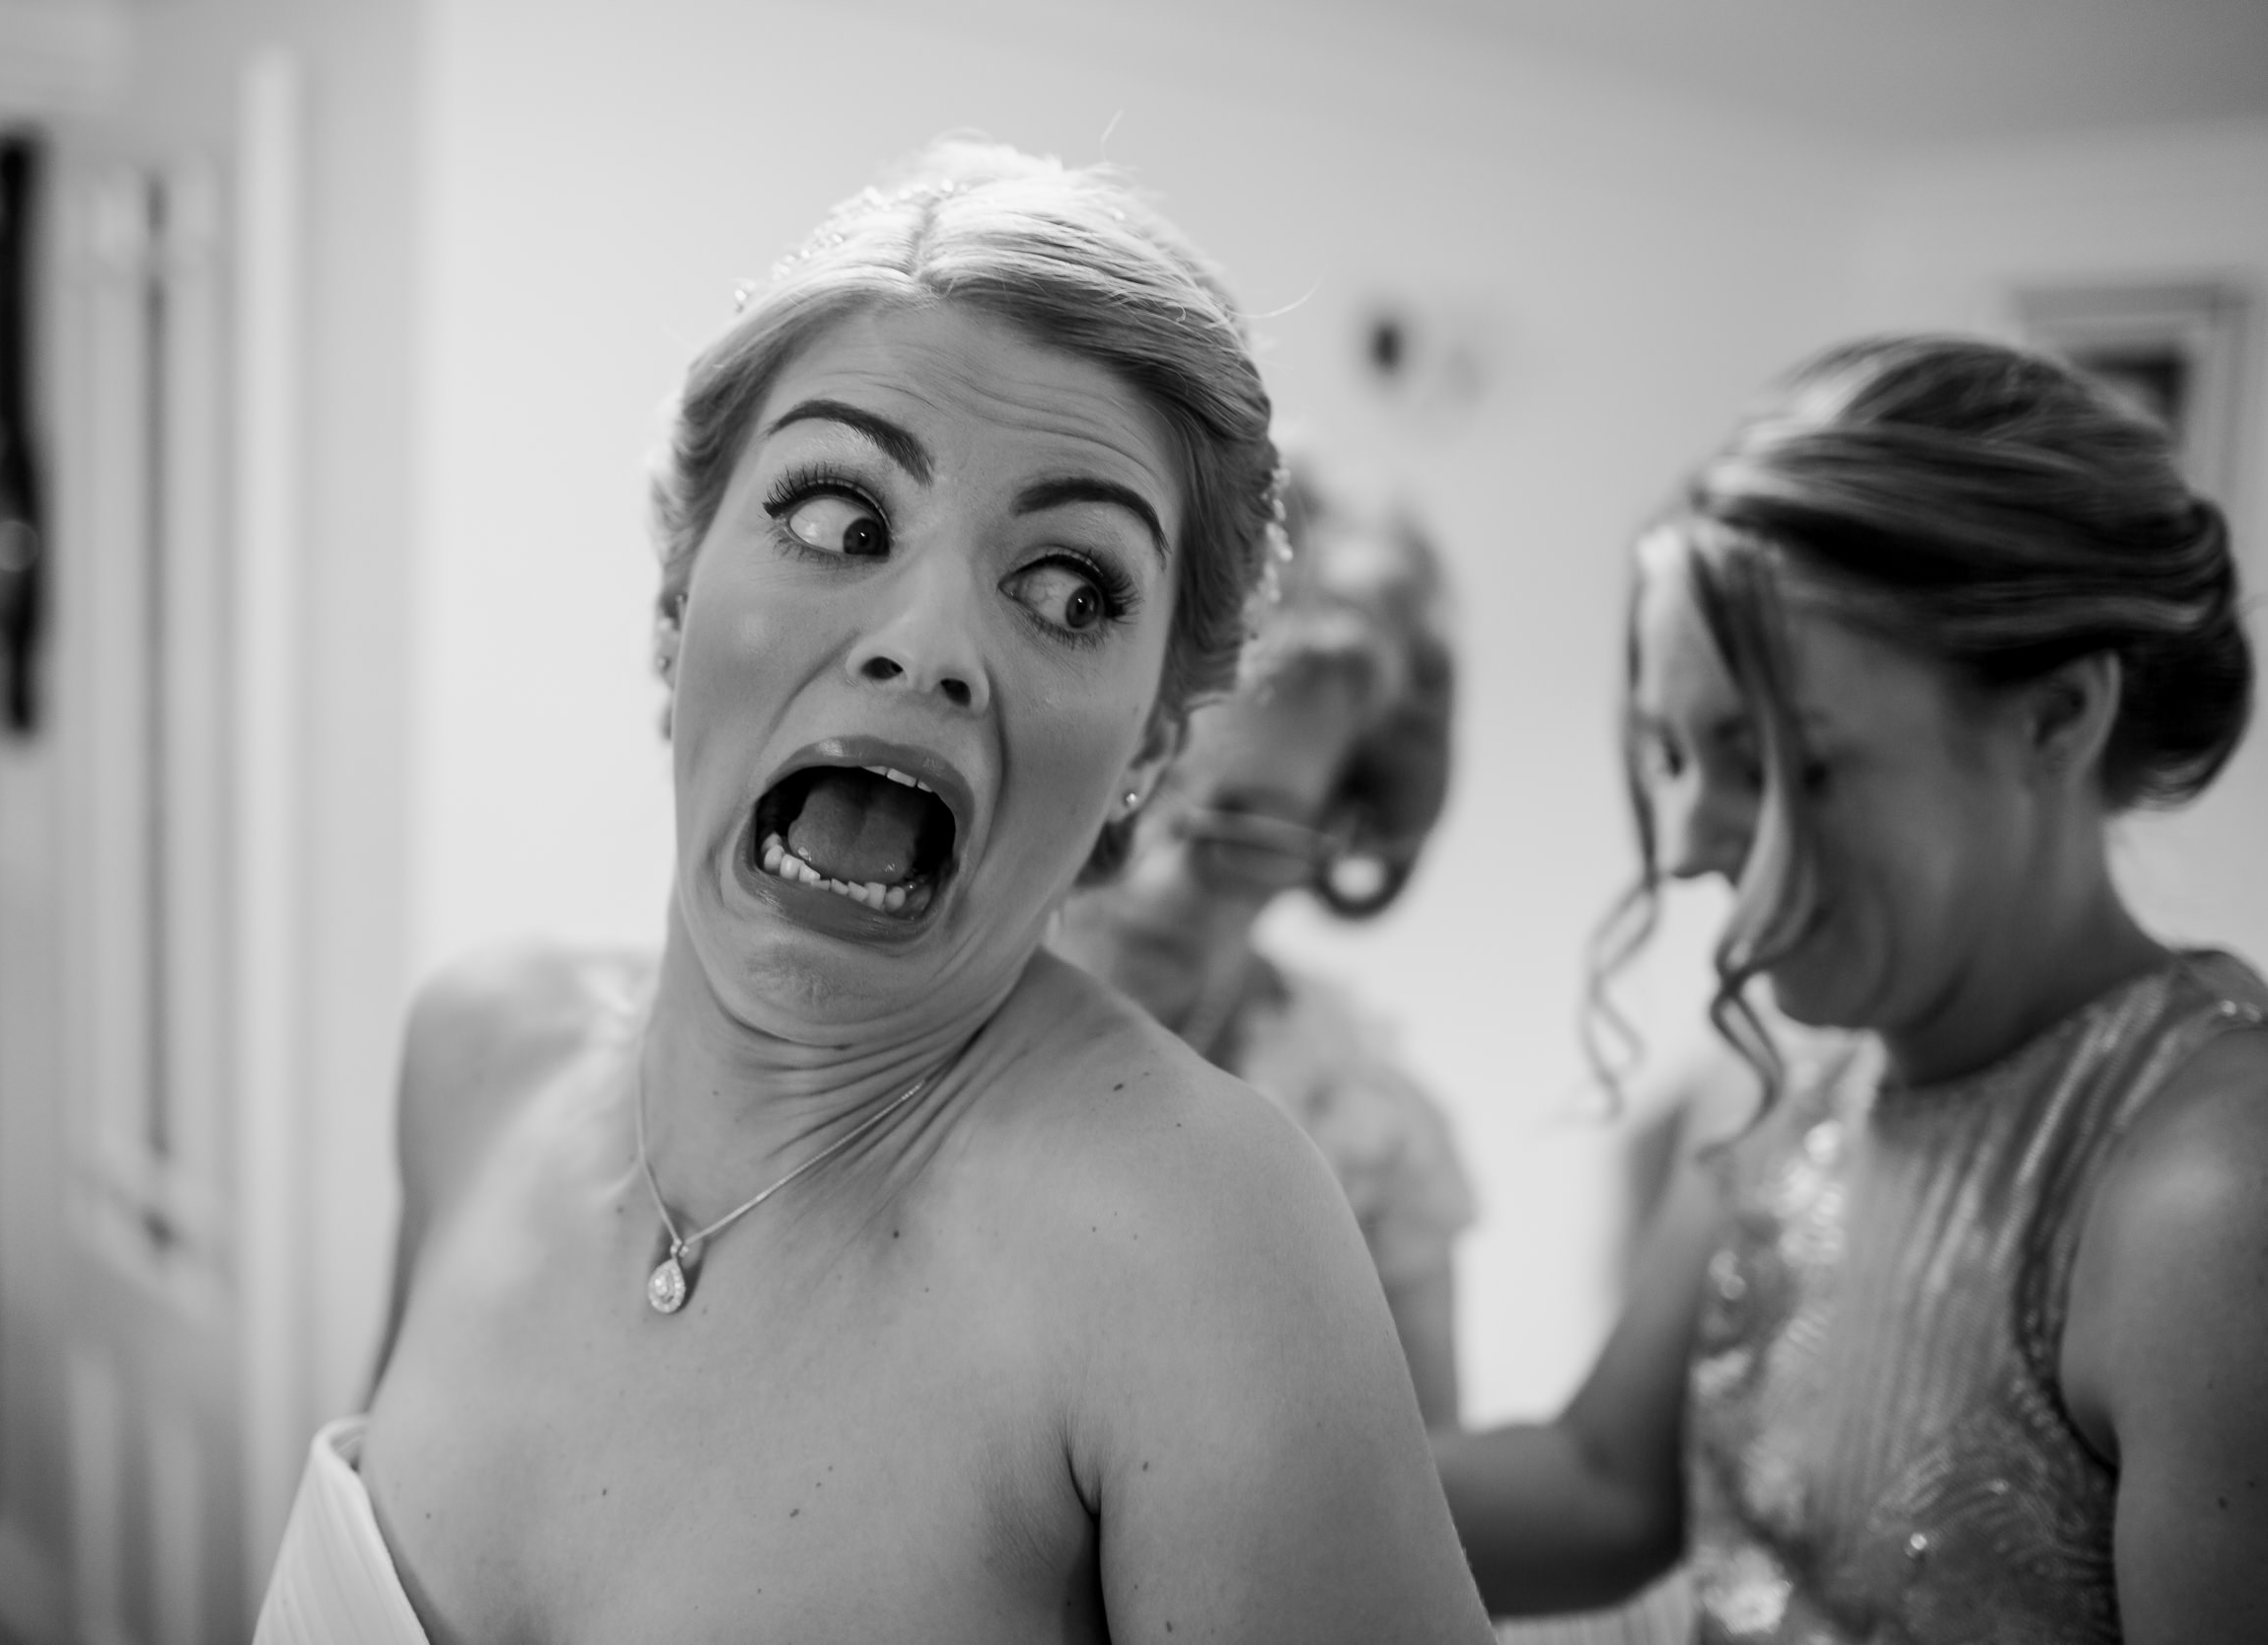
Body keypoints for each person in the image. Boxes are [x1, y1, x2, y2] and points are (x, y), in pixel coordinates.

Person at [255, 142, 1493, 1644]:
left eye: (1069, 588)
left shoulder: (1202, 1245)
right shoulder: (473, 1056)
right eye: (843, 517)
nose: (930, 640)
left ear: (1148, 749)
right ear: (677, 594)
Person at [1438, 335, 2268, 1643]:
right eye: (1674, 751)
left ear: (2055, 717)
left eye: (1784, 766)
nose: (1697, 841)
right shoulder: (1777, 1066)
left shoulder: (2212, 1198)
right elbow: (1602, 1486)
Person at [1052, 468, 1475, 1428]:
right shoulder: (899, 1031)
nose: (1159, 882)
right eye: (1140, 790)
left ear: (1340, 830)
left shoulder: (1370, 1144)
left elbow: (1427, 1509)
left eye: (1252, 832)